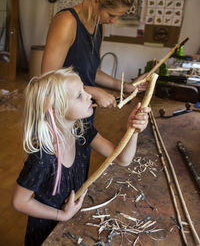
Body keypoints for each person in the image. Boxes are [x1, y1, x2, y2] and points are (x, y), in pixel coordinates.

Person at [12, 67, 150, 246]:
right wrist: (61, 215)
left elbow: (122, 159)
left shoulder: (81, 132)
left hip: (72, 220)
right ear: (55, 108)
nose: (88, 97)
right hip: (46, 231)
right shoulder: (43, 156)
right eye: (79, 95)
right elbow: (19, 201)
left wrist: (134, 130)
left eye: (84, 91)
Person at [41, 0, 147, 109]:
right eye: (111, 15)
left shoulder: (99, 25)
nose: (114, 21)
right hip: (61, 112)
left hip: (83, 109)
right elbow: (47, 80)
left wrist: (125, 86)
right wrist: (93, 91)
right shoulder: (66, 22)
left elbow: (92, 72)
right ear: (96, 1)